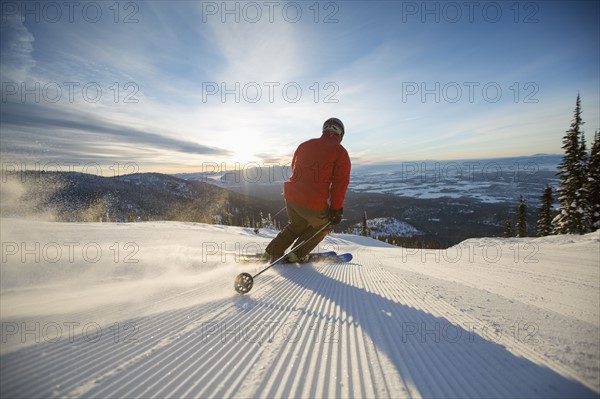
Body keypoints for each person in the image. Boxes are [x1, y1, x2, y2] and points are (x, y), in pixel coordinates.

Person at [264, 117, 351, 263]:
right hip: (313, 201)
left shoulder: (304, 145)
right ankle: (296, 254)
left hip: (291, 196)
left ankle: (270, 252)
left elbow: (294, 167)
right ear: (340, 134)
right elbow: (340, 184)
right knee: (323, 226)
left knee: (296, 225)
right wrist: (336, 209)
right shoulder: (340, 152)